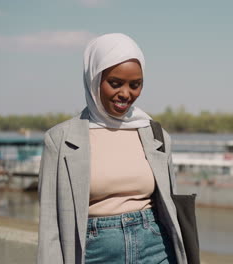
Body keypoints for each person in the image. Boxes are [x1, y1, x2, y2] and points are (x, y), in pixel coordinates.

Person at [37, 33, 187, 264]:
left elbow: (170, 207)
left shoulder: (156, 135)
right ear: (94, 80)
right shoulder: (60, 140)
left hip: (156, 248)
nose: (126, 94)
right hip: (95, 252)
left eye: (135, 85)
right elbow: (50, 225)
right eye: (115, 84)